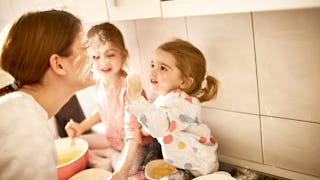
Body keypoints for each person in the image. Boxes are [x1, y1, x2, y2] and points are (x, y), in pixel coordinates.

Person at [0, 10, 94, 180]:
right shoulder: (27, 127)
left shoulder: (21, 110)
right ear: (58, 65)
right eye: (85, 47)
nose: (93, 54)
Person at [65, 22, 152, 180]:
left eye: (110, 54)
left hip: (135, 144)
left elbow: (133, 133)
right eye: (96, 57)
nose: (103, 62)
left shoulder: (130, 89)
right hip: (112, 139)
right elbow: (103, 110)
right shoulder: (98, 83)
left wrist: (123, 170)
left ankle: (110, 158)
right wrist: (81, 127)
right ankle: (109, 155)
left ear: (123, 55)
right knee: (75, 142)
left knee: (130, 170)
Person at [126, 38, 220, 179]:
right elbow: (157, 119)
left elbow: (161, 125)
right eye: (153, 65)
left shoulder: (185, 104)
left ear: (184, 81)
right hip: (181, 161)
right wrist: (145, 130)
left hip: (198, 167)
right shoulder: (167, 97)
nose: (153, 71)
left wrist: (137, 99)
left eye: (163, 68)